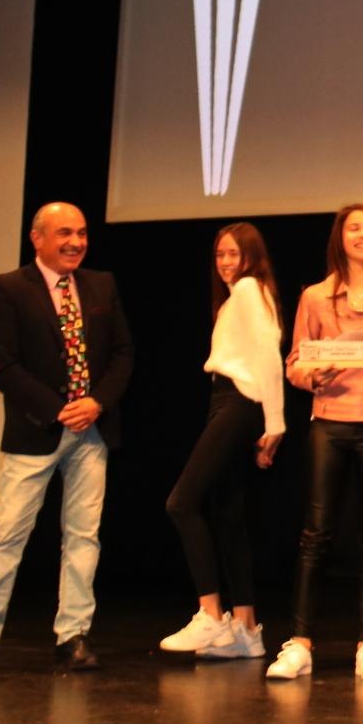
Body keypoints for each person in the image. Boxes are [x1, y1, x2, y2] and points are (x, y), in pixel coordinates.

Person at [0, 202, 135, 674]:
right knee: (8, 533)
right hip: (35, 430)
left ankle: (73, 636)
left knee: (83, 536)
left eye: (82, 233)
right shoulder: (8, 287)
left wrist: (96, 402)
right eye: (65, 233)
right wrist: (57, 409)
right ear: (38, 238)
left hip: (91, 430)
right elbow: (3, 364)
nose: (76, 242)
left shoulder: (101, 284)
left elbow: (123, 354)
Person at [267, 205, 363, 682]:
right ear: (340, 237)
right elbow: (295, 362)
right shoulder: (315, 296)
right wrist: (314, 374)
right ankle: (300, 643)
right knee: (315, 534)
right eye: (354, 228)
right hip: (329, 422)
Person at [157, 223, 285, 660]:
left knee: (182, 502)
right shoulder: (239, 297)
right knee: (227, 513)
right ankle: (246, 628)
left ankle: (211, 614)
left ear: (251, 256)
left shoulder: (248, 289)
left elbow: (269, 357)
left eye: (234, 254)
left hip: (239, 402)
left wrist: (275, 423)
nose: (226, 262)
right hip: (228, 400)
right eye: (220, 255)